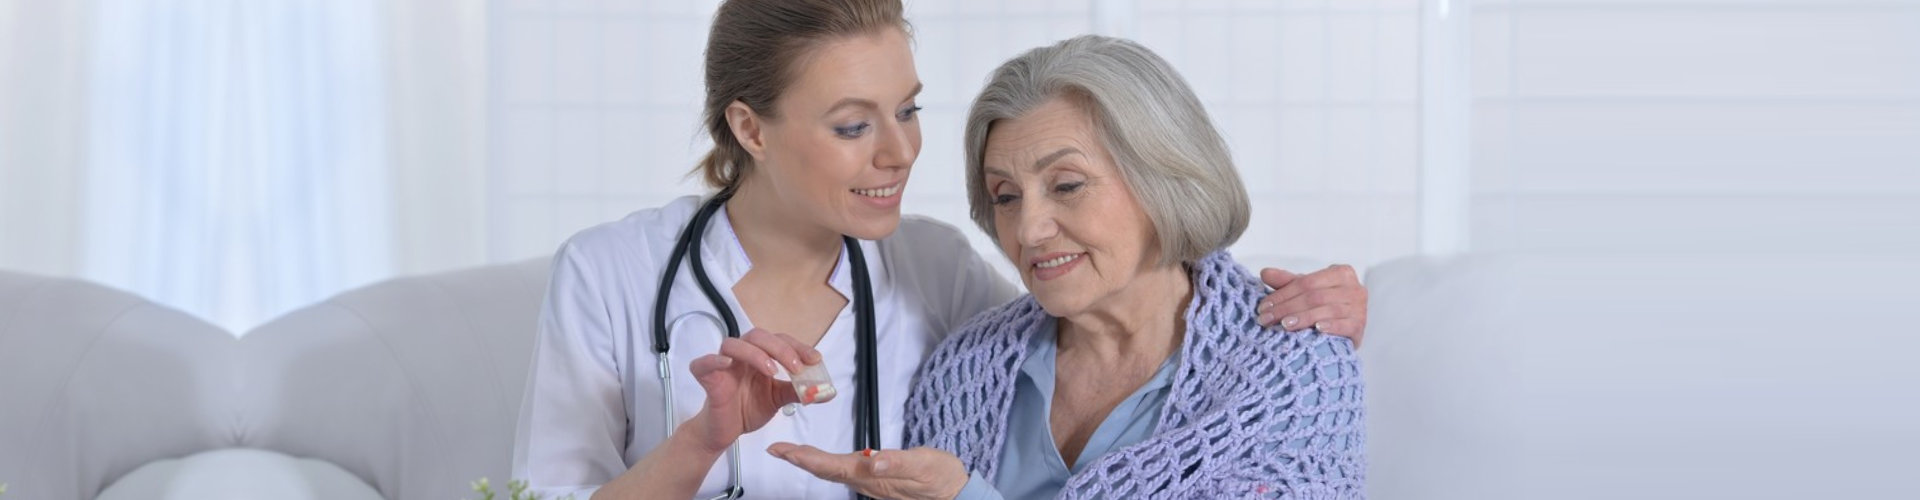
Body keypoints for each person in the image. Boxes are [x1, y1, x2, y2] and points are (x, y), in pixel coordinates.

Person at [511, 2, 1372, 498]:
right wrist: (703, 439)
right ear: (750, 128)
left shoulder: (937, 276)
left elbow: (1122, 295)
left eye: (910, 110)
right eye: (853, 124)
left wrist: (1325, 314)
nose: (899, 153)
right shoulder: (609, 275)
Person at [768, 35, 1365, 498]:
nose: (1028, 230)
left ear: (1165, 179)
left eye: (1067, 185)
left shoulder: (1292, 372)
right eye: (1005, 196)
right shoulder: (961, 371)